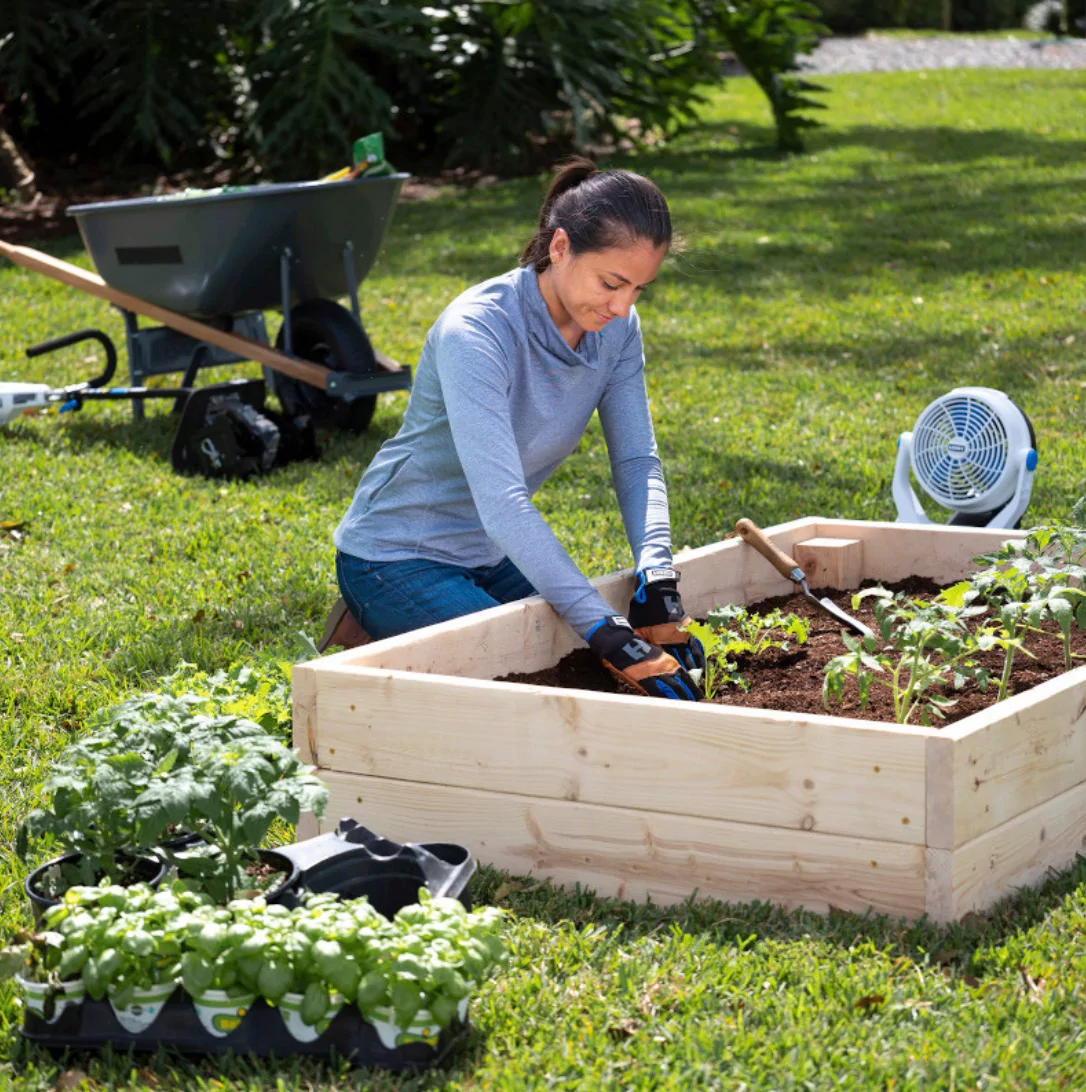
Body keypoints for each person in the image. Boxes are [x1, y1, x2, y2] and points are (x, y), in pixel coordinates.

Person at [327, 157, 704, 701]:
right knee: (532, 684)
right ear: (559, 248)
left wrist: (657, 578)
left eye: (639, 289)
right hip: (396, 554)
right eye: (612, 283)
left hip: (488, 552)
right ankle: (370, 617)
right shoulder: (477, 331)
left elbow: (636, 460)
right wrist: (610, 632)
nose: (623, 307)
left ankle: (392, 631)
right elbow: (502, 501)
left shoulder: (616, 331)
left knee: (577, 664)